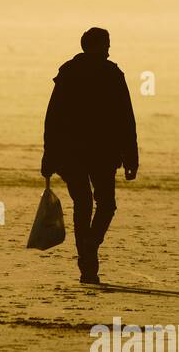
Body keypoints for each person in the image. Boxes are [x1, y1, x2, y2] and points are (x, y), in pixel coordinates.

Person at [40, 27, 138, 284]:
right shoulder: (111, 74)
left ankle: (87, 258)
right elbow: (126, 120)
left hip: (71, 153)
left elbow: (53, 118)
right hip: (102, 153)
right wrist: (131, 158)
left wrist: (49, 156)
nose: (108, 49)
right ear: (97, 46)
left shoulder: (69, 72)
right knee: (106, 205)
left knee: (82, 205)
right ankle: (90, 248)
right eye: (106, 44)